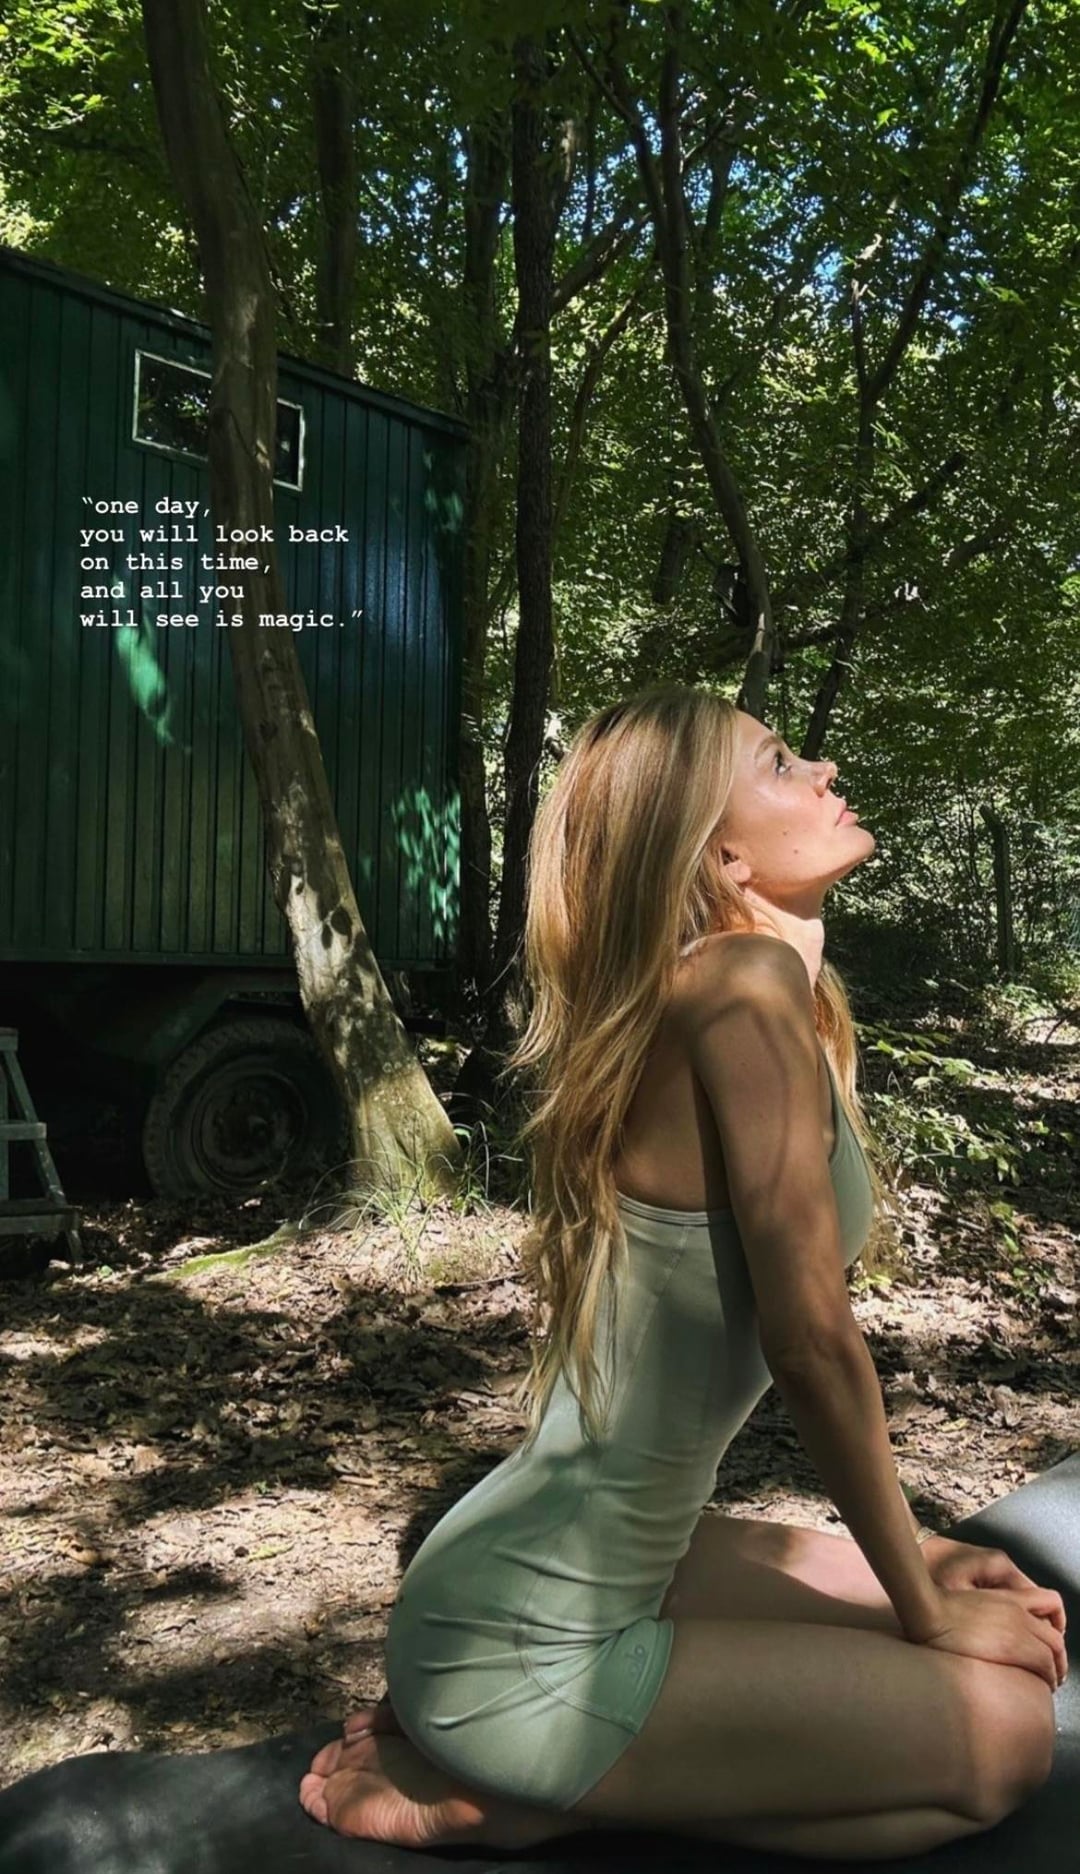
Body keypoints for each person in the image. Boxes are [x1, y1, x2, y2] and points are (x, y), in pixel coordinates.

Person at [300, 685, 1067, 1859]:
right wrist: (922, 1612)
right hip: (527, 1650)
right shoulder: (739, 986)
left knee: (991, 1580)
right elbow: (809, 1344)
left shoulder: (749, 988)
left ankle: (546, 1760)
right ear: (721, 855)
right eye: (779, 762)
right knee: (1006, 1734)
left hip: (594, 1562)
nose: (821, 769)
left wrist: (931, 1567)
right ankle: (523, 1795)